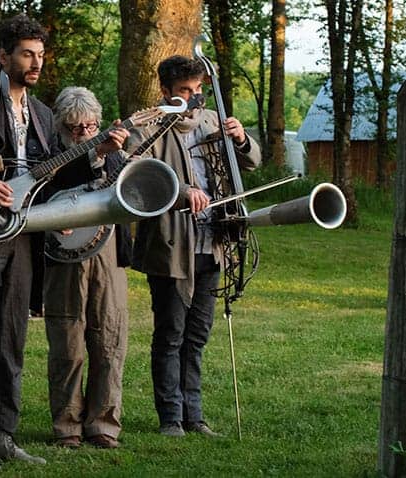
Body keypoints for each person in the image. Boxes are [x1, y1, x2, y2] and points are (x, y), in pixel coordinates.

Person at [0, 14, 126, 470]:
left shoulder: (44, 114)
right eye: (27, 54)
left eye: (40, 55)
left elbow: (50, 177)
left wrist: (99, 152)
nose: (36, 63)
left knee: (12, 339)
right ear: (3, 55)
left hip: (22, 240)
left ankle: (2, 435)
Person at [127, 55, 260, 439]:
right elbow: (136, 176)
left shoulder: (210, 122)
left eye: (198, 89)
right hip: (170, 244)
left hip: (211, 241)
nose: (195, 97)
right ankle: (170, 417)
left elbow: (250, 163)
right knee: (170, 333)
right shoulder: (149, 126)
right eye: (185, 91)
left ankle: (194, 415)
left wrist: (241, 139)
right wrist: (181, 191)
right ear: (166, 91)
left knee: (197, 334)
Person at [44, 87, 131, 450]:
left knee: (110, 336)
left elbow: (125, 185)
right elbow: (54, 182)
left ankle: (104, 424)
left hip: (108, 254)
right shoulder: (50, 152)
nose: (84, 133)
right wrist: (94, 152)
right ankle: (68, 426)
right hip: (65, 260)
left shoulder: (111, 152)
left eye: (91, 126)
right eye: (77, 128)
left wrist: (112, 152)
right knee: (68, 341)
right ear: (63, 128)